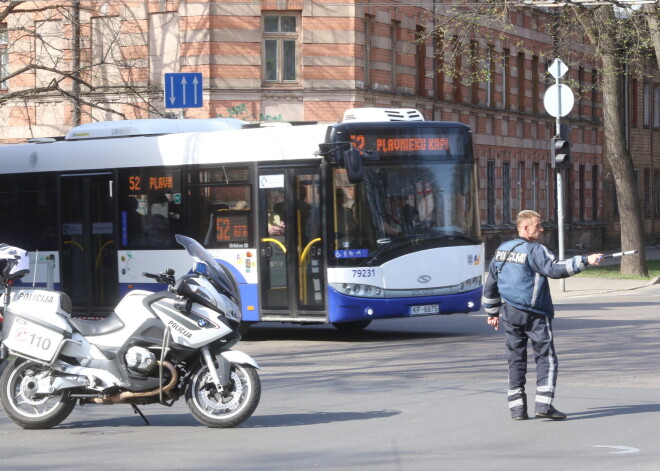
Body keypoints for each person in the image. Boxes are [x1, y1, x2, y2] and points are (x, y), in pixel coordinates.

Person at [483, 210, 603, 421]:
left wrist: (492, 312)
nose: (542, 229)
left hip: (510, 313)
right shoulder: (536, 250)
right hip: (535, 313)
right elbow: (555, 269)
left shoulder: (502, 249)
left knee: (515, 359)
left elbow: (491, 281)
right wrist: (585, 260)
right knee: (546, 358)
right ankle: (544, 405)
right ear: (525, 228)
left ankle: (517, 409)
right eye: (538, 225)